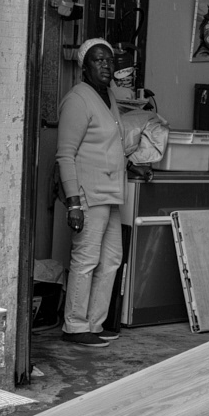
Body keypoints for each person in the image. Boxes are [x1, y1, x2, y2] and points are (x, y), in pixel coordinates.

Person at [56, 37, 126, 348]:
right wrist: (73, 202)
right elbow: (64, 154)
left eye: (109, 60)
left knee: (111, 259)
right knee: (86, 260)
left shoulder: (109, 96)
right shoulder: (78, 99)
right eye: (98, 60)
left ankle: (94, 324)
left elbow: (110, 144)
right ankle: (74, 326)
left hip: (110, 193)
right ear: (84, 67)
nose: (106, 65)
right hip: (88, 194)